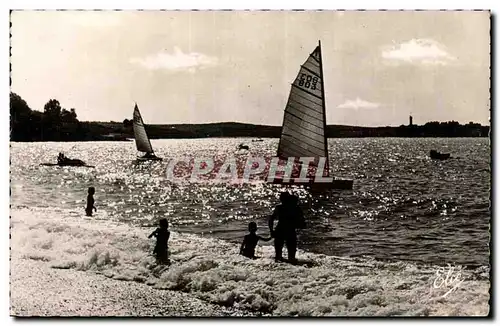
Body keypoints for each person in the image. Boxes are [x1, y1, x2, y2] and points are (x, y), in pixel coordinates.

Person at [268, 192, 306, 263]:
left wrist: (271, 231)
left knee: (278, 257)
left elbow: (271, 219)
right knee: (291, 258)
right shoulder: (296, 208)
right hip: (290, 231)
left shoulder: (279, 208)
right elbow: (303, 224)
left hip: (279, 231)